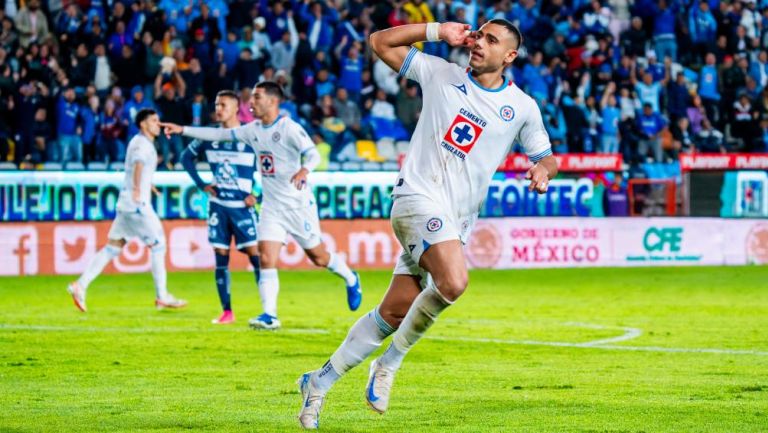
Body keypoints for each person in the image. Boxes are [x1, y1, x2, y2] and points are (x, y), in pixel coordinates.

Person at [292, 19, 557, 429]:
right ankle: (389, 363)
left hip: (455, 221)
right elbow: (379, 42)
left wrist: (543, 170)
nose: (479, 44)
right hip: (416, 197)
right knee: (453, 282)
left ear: (509, 56)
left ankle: (318, 381)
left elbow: (546, 154)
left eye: (491, 40)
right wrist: (436, 31)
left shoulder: (522, 107)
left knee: (394, 313)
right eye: (478, 35)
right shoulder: (440, 72)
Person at [161, 82, 362, 331]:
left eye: (256, 97)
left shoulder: (289, 128)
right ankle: (270, 315)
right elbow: (219, 134)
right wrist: (182, 130)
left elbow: (313, 154)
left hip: (297, 205)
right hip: (271, 207)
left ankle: (351, 277)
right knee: (266, 257)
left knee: (318, 257)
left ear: (272, 101)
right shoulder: (252, 129)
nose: (251, 102)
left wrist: (303, 170)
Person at [67, 108, 187, 312]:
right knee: (159, 245)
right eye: (154, 121)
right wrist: (139, 190)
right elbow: (138, 166)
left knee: (113, 247)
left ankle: (80, 285)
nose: (158, 124)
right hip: (136, 205)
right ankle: (162, 296)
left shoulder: (139, 142)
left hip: (126, 205)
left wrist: (148, 185)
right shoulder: (142, 144)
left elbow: (136, 169)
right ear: (143, 124)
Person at [180, 90, 261, 325]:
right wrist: (202, 184)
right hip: (218, 206)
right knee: (221, 256)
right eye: (216, 104)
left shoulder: (250, 135)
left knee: (256, 256)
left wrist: (258, 195)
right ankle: (227, 312)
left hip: (242, 208)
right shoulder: (209, 135)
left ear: (236, 108)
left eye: (223, 105)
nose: (218, 109)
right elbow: (186, 158)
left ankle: (268, 308)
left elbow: (272, 167)